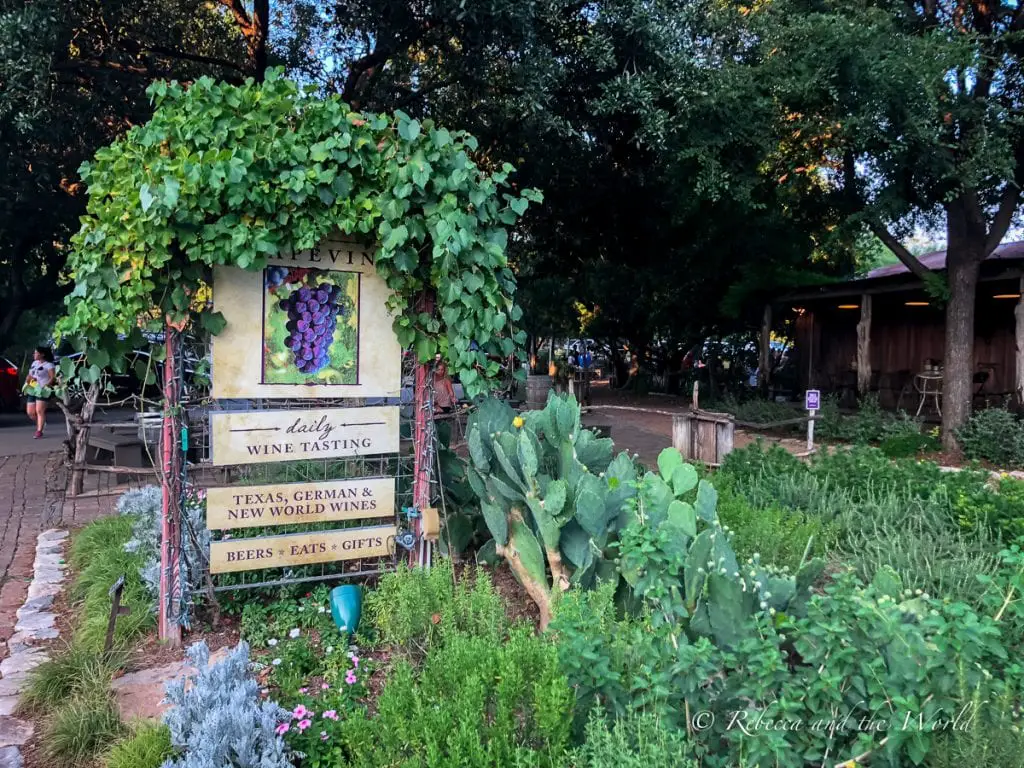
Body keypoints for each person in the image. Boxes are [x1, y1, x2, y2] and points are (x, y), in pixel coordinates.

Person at [24, 347, 56, 439]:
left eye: (36, 353)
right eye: (34, 353)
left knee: (39, 410)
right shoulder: (34, 363)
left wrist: (46, 386)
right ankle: (41, 422)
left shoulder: (49, 365)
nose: (34, 355)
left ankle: (39, 431)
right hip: (33, 389)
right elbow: (30, 375)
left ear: (42, 354)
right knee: (30, 412)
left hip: (43, 390)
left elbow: (52, 378)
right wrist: (27, 382)